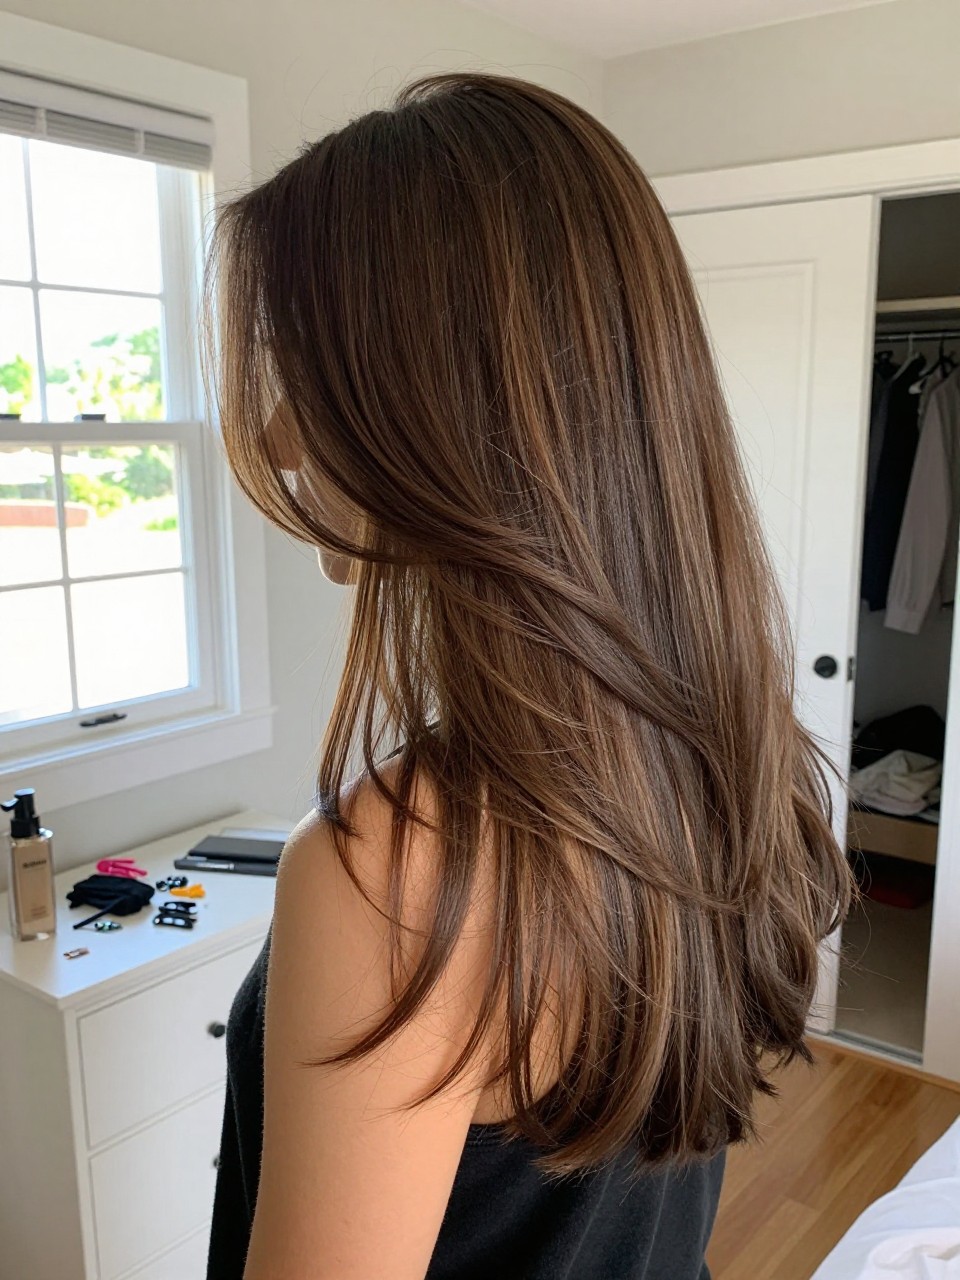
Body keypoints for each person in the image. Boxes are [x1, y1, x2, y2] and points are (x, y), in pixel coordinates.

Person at [203, 73, 852, 1280]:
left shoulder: (394, 871)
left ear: (436, 402)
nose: (286, 439)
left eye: (309, 373)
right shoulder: (718, 738)